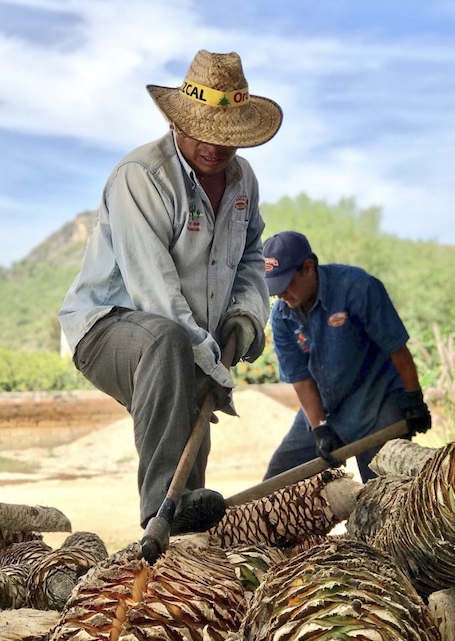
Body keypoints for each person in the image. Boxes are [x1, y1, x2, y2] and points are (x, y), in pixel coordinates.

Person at [58, 50, 283, 533]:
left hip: (186, 338)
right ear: (179, 121)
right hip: (109, 326)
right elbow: (152, 289)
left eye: (227, 137)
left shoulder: (243, 180)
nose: (214, 147)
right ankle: (162, 511)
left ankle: (182, 547)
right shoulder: (142, 177)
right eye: (203, 131)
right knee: (169, 343)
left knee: (188, 425)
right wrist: (211, 361)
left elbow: (250, 254)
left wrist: (244, 317)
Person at [262, 230, 431, 483]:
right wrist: (320, 429)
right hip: (325, 404)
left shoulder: (357, 287)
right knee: (277, 478)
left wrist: (414, 399)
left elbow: (397, 348)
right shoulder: (281, 314)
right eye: (274, 289)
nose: (280, 296)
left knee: (381, 492)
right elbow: (300, 378)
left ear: (308, 267)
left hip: (377, 402)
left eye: (285, 285)